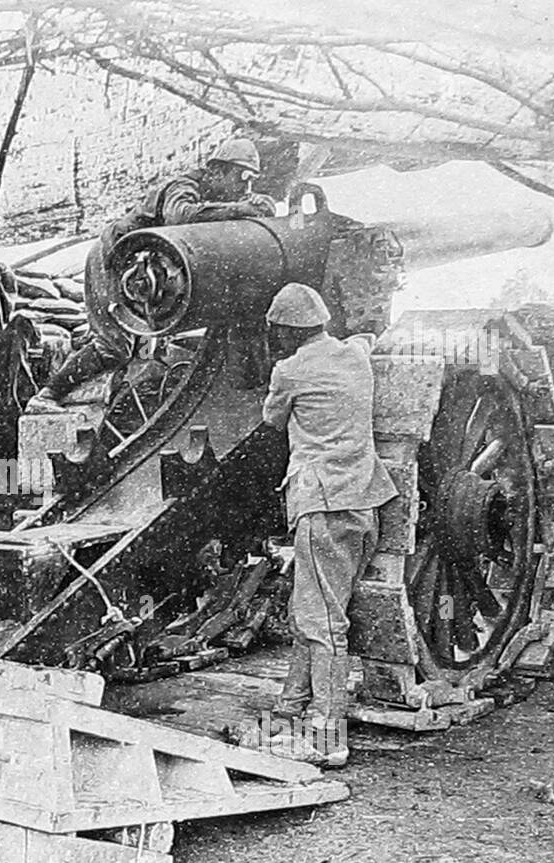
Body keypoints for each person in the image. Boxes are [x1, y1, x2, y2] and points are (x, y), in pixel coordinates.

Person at [25, 137, 276, 412]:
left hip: (143, 272)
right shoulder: (183, 186)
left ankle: (128, 395)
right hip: (115, 263)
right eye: (241, 179)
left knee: (148, 344)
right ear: (217, 171)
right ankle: (47, 396)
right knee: (114, 346)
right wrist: (239, 209)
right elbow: (179, 216)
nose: (245, 188)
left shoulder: (217, 196)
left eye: (251, 182)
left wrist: (257, 204)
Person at [259, 283, 397, 767]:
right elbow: (367, 338)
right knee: (313, 610)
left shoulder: (289, 371)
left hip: (322, 506)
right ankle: (292, 708)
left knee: (323, 622)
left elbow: (271, 419)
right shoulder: (354, 355)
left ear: (284, 331)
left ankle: (327, 733)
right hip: (364, 502)